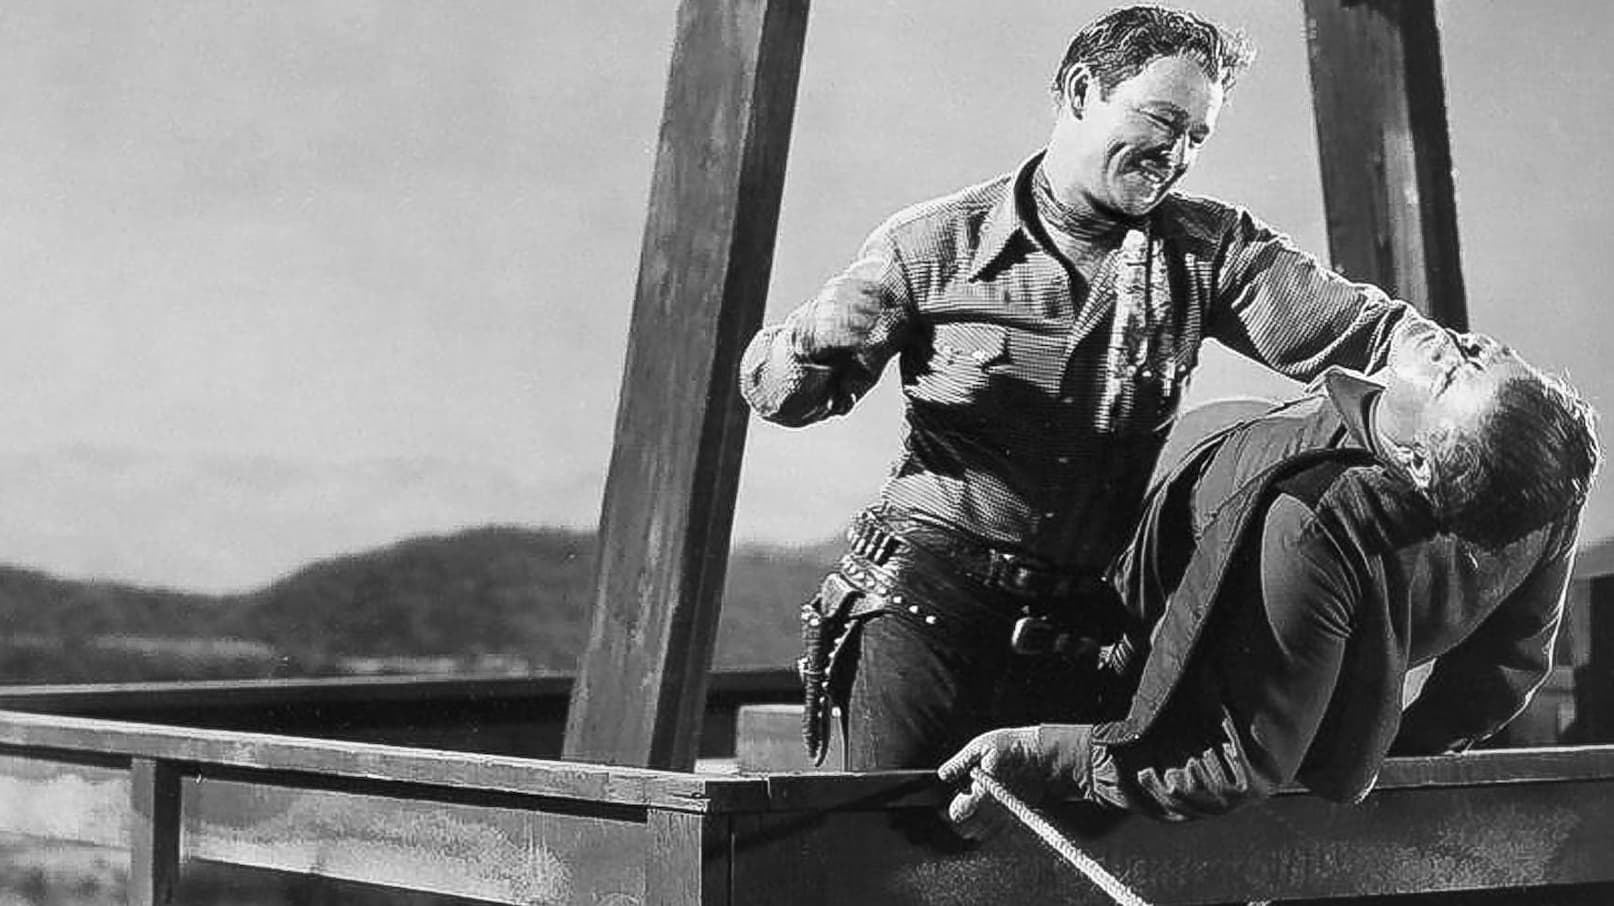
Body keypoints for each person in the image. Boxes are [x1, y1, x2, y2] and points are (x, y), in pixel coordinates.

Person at [740, 5, 1441, 771]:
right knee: (898, 839)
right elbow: (782, 397)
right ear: (1081, 91)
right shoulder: (932, 243)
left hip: (1079, 633)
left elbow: (1372, 332)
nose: (1175, 155)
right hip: (923, 614)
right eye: (1162, 120)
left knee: (1056, 841)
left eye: (1197, 136)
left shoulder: (1209, 251)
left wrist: (1469, 382)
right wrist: (811, 339)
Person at [938, 321, 1600, 831]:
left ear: (1419, 464)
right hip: (1171, 510)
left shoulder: (1314, 524)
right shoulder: (1543, 483)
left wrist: (1048, 756)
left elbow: (1231, 762)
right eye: (1487, 350)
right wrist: (1404, 758)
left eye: (1453, 376)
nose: (1454, 343)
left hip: (1109, 624)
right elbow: (1504, 672)